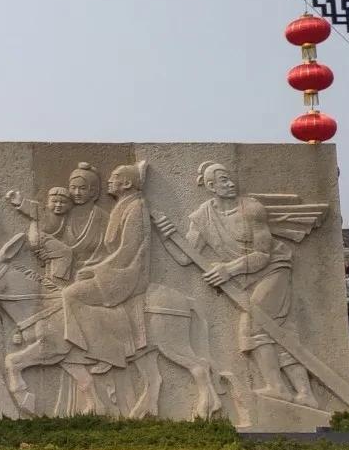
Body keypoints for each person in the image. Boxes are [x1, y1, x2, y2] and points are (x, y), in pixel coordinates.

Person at [164, 161, 313, 404]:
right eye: (223, 180)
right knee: (278, 330)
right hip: (244, 279)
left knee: (254, 324)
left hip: (273, 268)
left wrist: (228, 269)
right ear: (211, 186)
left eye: (230, 178)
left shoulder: (251, 208)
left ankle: (279, 388)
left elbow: (262, 255)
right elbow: (184, 257)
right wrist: (169, 236)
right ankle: (304, 393)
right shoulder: (202, 217)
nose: (231, 183)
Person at [59, 165, 152, 373]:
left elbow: (128, 250)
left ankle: (107, 352)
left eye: (114, 177)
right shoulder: (124, 205)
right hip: (118, 267)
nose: (109, 180)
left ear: (127, 183)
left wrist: (97, 270)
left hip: (128, 273)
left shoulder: (135, 207)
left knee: (71, 294)